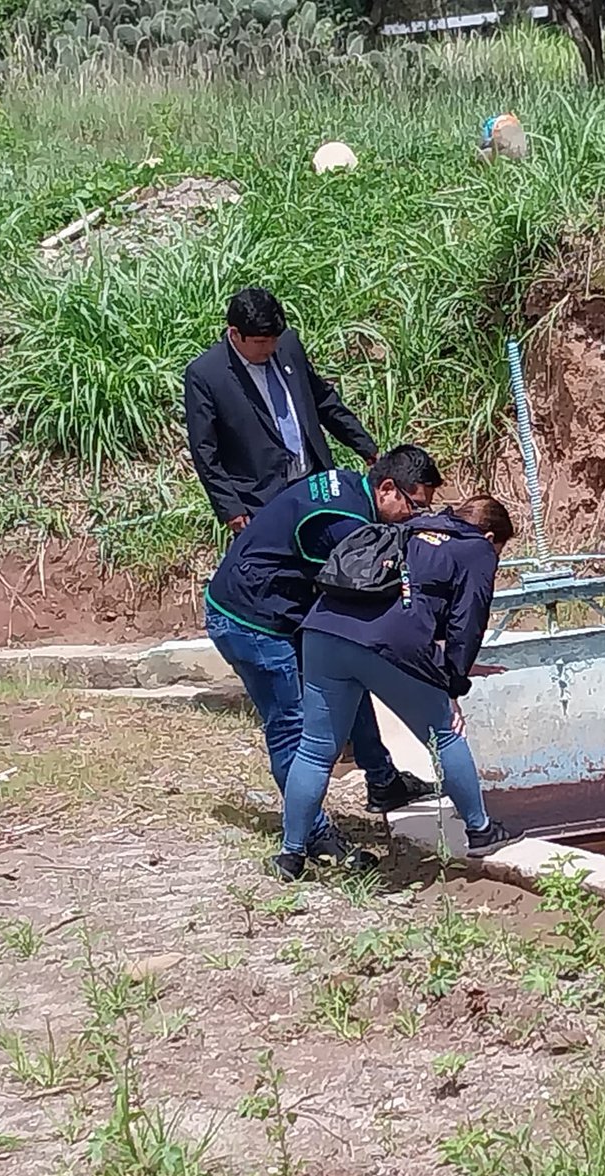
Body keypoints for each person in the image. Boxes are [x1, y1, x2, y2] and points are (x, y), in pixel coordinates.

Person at [205, 446, 445, 865]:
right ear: (387, 488)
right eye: (414, 506)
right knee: (292, 727)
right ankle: (310, 835)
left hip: (275, 606)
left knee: (346, 677)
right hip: (252, 621)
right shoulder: (344, 523)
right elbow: (362, 595)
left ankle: (383, 780)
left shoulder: (353, 490)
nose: (417, 517)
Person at [271, 495, 523, 881]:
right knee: (445, 733)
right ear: (491, 536)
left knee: (316, 750)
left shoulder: (412, 526)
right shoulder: (477, 549)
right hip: (388, 644)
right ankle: (480, 829)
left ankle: (290, 856)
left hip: (322, 632)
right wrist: (452, 686)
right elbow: (467, 623)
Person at [185, 287, 380, 535]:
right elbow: (204, 451)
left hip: (313, 481)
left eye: (274, 339)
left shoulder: (288, 346)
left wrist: (364, 446)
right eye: (260, 342)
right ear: (234, 334)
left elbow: (322, 399)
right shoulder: (206, 375)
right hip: (260, 499)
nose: (269, 348)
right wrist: (230, 507)